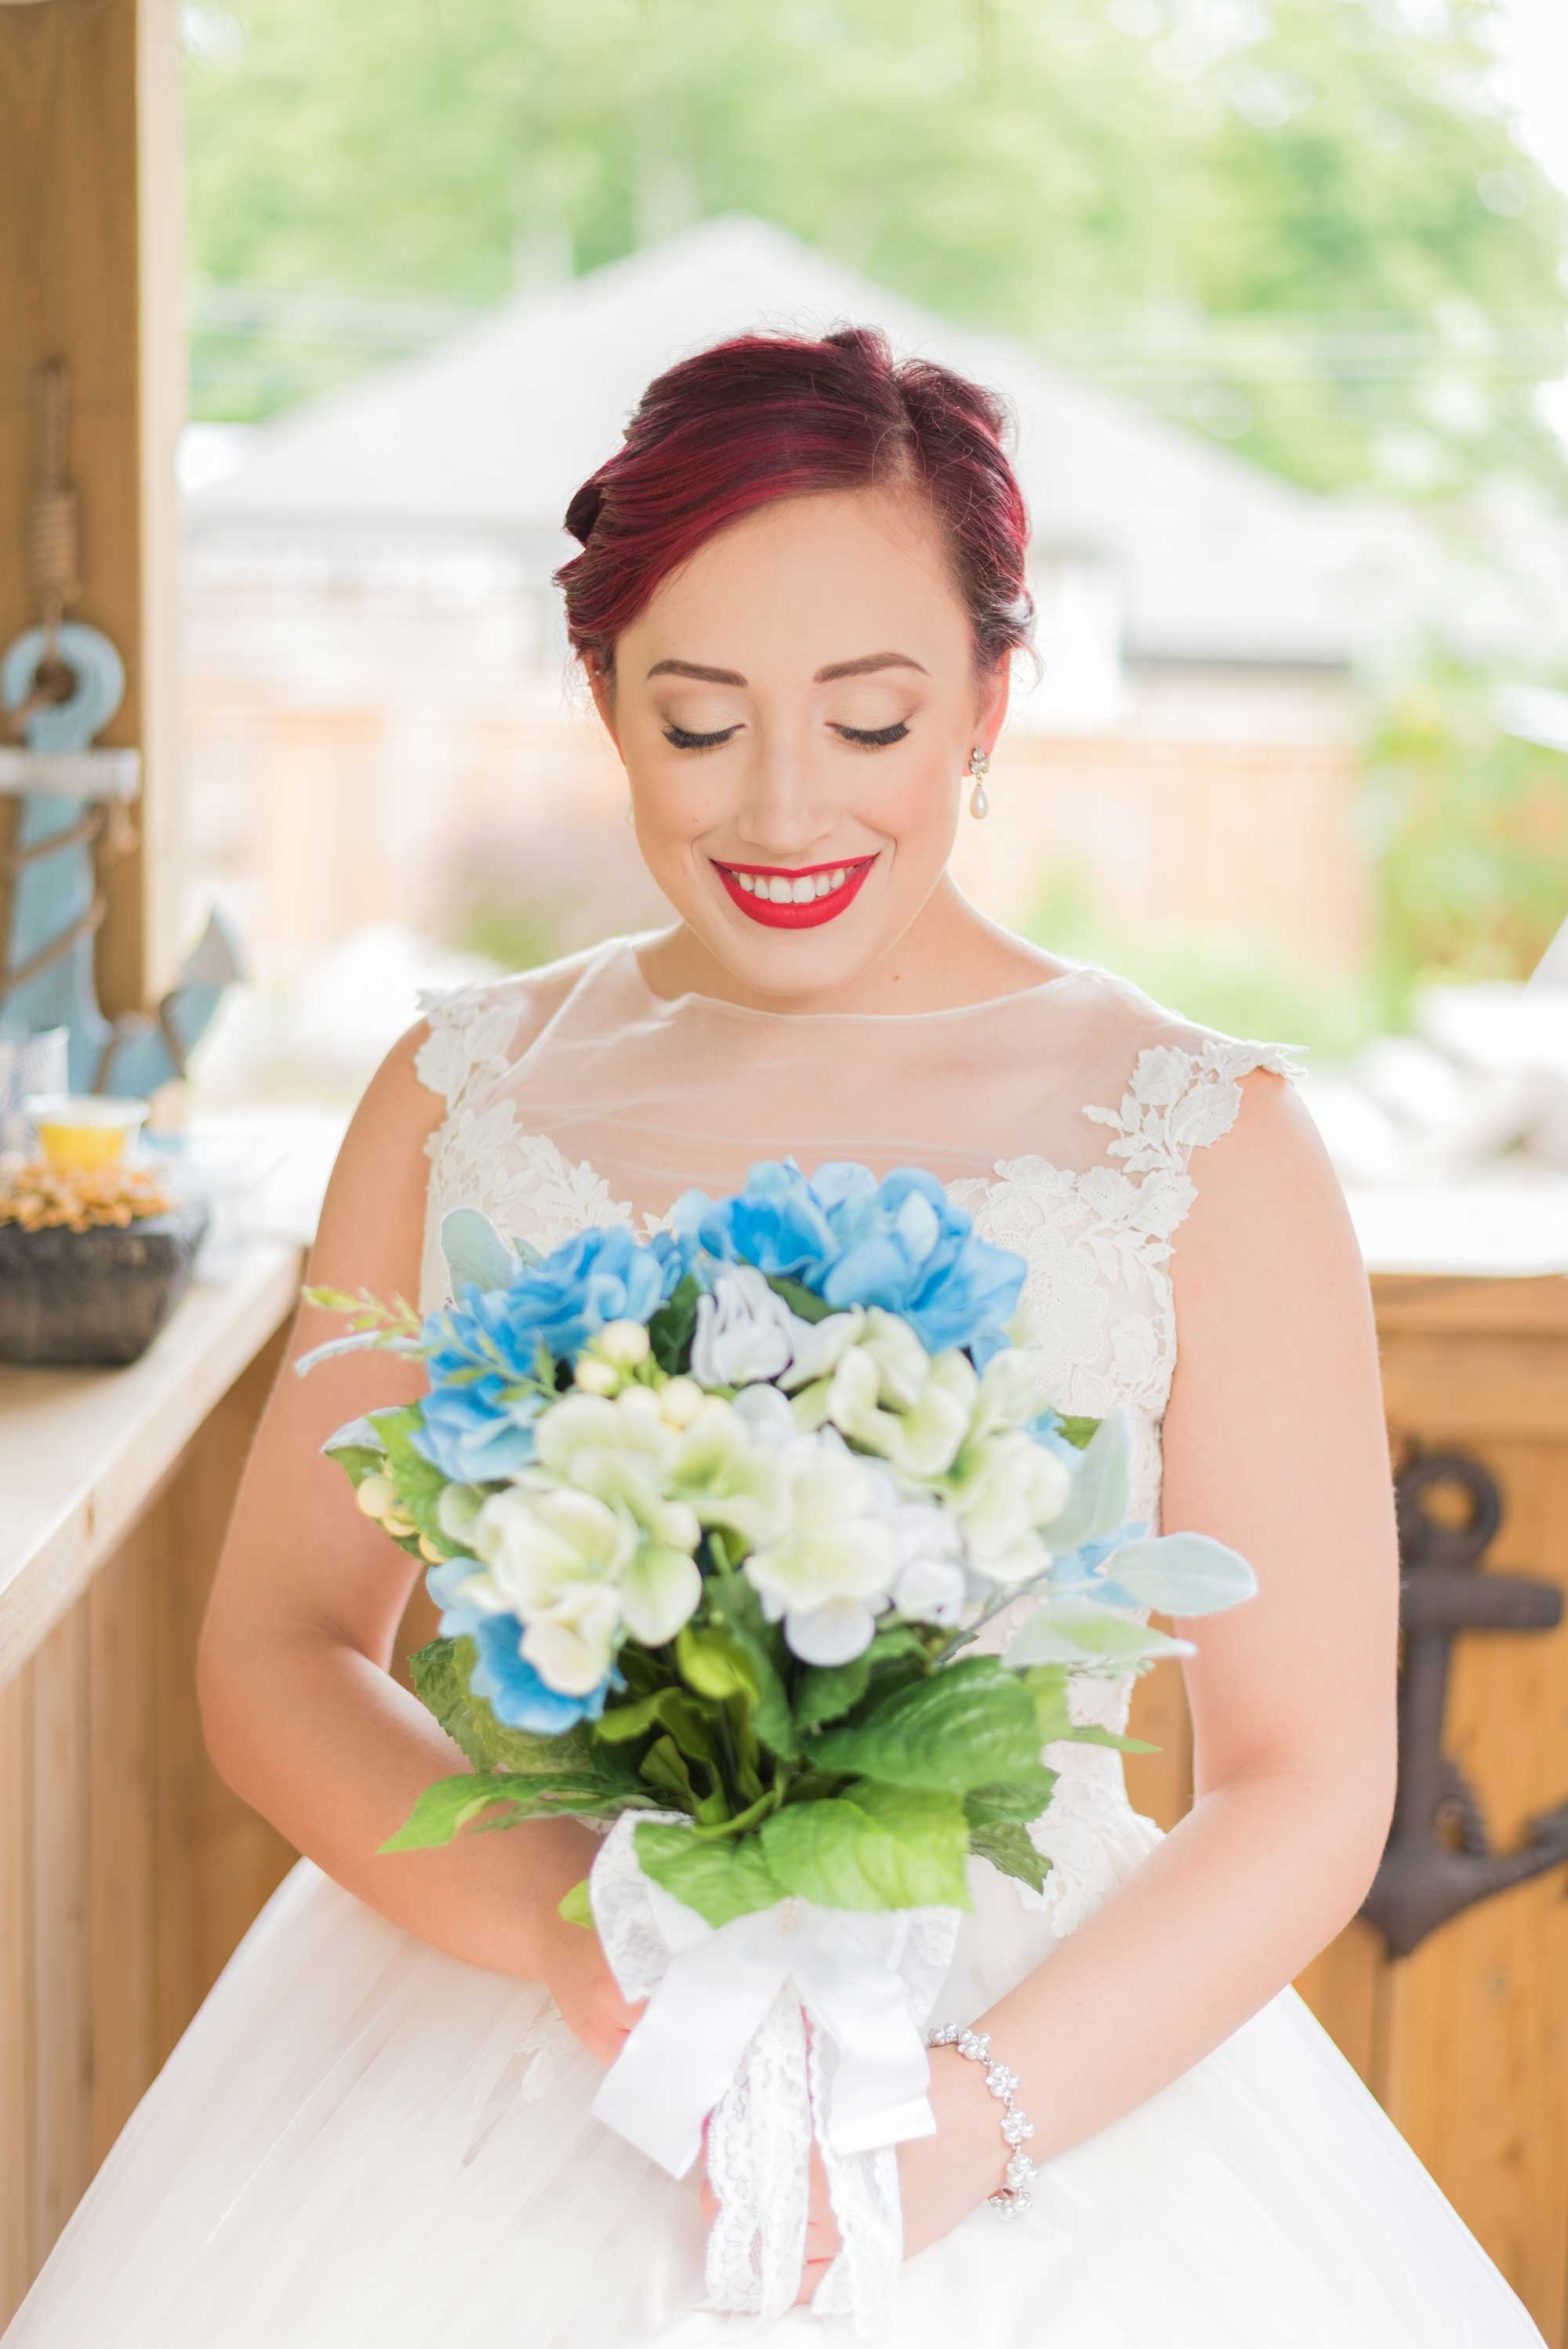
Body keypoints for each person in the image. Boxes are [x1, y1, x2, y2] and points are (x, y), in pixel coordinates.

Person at [2, 325, 1548, 2347]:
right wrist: (573, 1928)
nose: (784, 805)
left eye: (871, 719)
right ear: (605, 701)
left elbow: (1306, 1781)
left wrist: (957, 2137)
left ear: (989, 697)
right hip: (510, 2040)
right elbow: (278, 1652)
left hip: (1032, 2060)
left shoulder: (1207, 1140)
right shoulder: (459, 1095)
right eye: (701, 721)